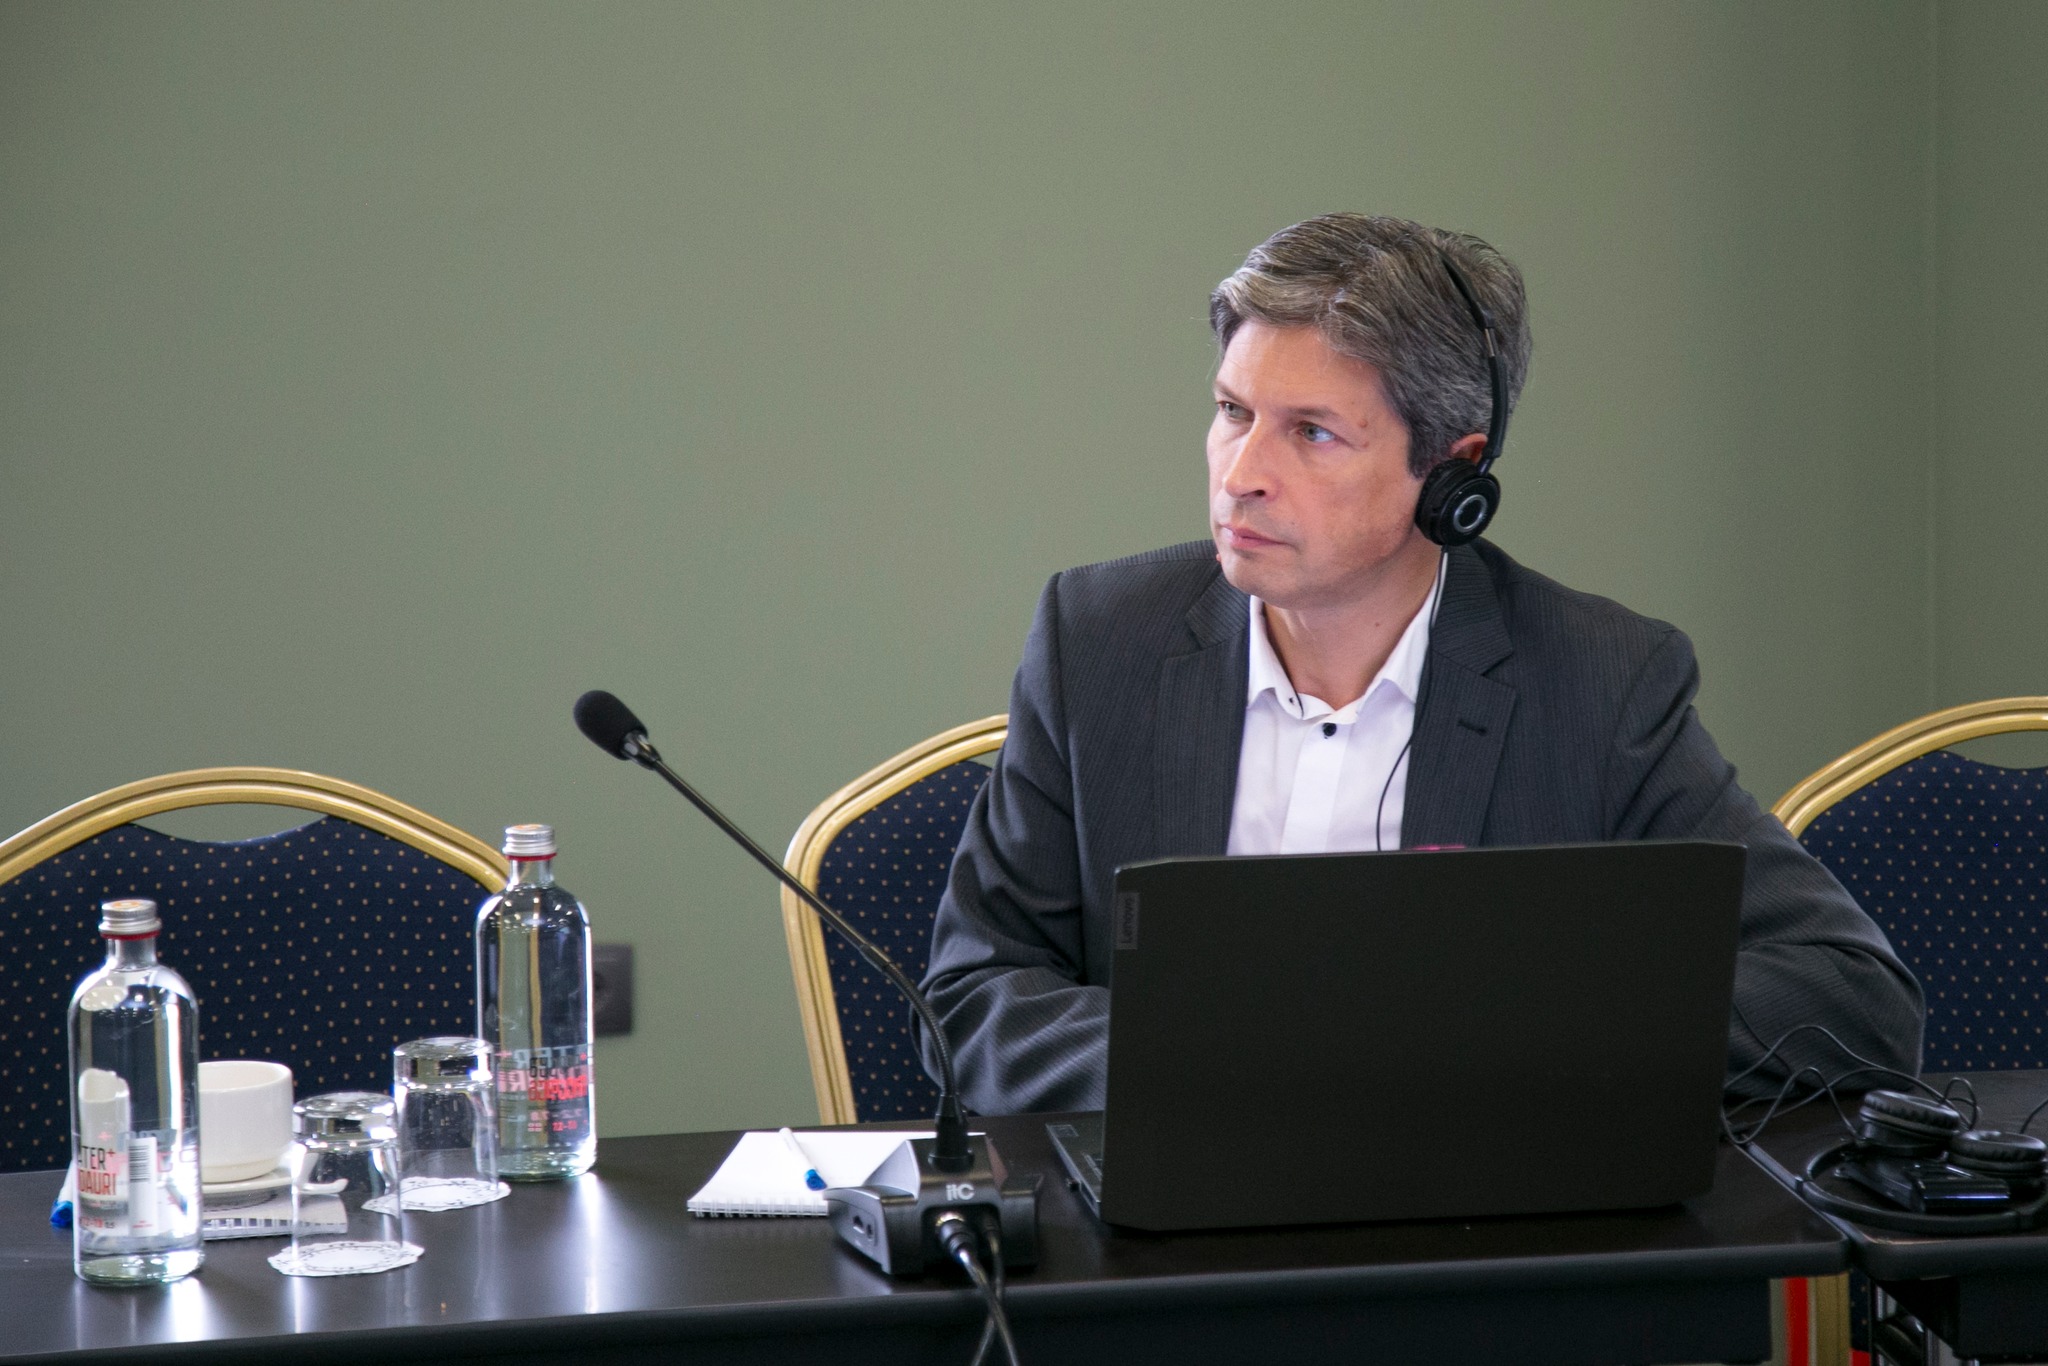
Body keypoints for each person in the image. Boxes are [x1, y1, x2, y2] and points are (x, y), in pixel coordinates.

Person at [919, 213, 1922, 1114]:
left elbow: (1850, 996)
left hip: (1471, 1234)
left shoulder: (1599, 682)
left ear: (1452, 472)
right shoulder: (1100, 643)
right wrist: (1227, 1065)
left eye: (1311, 432)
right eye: (1232, 411)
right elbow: (971, 997)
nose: (1242, 474)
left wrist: (1470, 1044)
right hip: (1158, 1230)